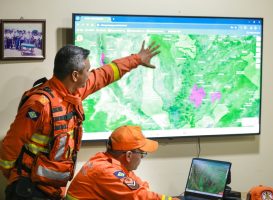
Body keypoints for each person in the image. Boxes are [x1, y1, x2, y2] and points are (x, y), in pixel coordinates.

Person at [0, 41, 160, 200]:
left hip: (52, 189)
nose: (90, 75)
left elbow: (105, 74)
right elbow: (11, 145)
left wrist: (137, 59)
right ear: (75, 75)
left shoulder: (73, 92)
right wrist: (15, 180)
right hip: (29, 189)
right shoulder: (39, 104)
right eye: (87, 71)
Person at [66, 125, 180, 200]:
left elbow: (138, 186)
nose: (141, 158)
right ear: (129, 155)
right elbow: (138, 195)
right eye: (142, 154)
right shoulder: (107, 171)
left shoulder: (106, 161)